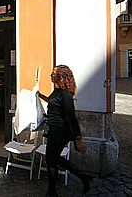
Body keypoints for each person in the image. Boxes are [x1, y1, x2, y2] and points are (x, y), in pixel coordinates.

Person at [36, 65, 94, 197]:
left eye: (53, 73)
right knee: (52, 159)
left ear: (61, 76)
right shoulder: (56, 92)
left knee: (51, 159)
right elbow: (52, 102)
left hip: (60, 132)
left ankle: (53, 191)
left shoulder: (66, 95)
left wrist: (77, 139)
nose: (51, 75)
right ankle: (82, 177)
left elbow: (71, 117)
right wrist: (41, 96)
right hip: (53, 130)